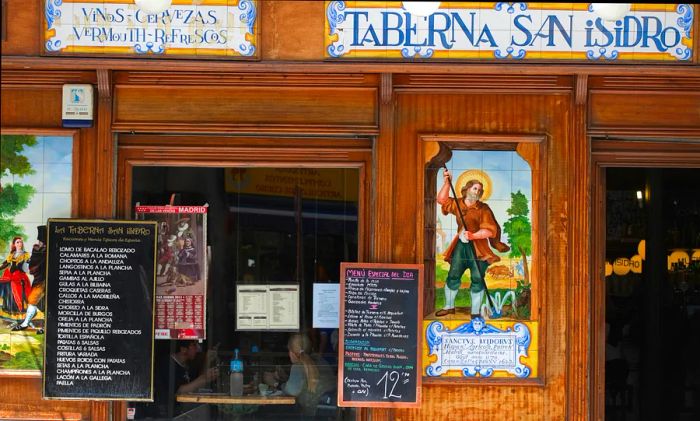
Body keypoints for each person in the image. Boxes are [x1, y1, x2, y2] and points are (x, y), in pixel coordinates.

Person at [435, 169, 509, 318]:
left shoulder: (483, 209)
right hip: (461, 246)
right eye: (475, 188)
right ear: (467, 189)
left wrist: (473, 235)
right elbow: (442, 200)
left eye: (480, 190)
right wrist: (446, 182)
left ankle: (475, 312)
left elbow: (490, 230)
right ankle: (449, 307)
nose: (477, 191)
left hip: (479, 248)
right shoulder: (458, 203)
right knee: (453, 275)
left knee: (477, 278)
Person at [135, 340, 218, 419]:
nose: (198, 348)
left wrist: (207, 361)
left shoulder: (188, 363)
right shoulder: (166, 363)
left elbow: (194, 386)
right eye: (194, 345)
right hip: (166, 414)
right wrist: (204, 378)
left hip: (182, 411)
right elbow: (180, 391)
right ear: (183, 349)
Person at [263, 333, 336, 417]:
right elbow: (303, 383)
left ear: (291, 352)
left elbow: (292, 391)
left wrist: (274, 383)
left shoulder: (298, 366)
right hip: (328, 410)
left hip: (312, 413)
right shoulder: (321, 361)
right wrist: (284, 378)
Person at [11, 226, 47, 333]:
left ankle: (26, 324)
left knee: (33, 302)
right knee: (43, 304)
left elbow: (32, 268)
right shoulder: (49, 249)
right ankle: (40, 326)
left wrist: (21, 266)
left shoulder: (39, 250)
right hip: (44, 281)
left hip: (41, 282)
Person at [0, 236, 31, 315]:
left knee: (16, 286)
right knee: (5, 284)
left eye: (21, 242)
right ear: (14, 244)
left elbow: (28, 266)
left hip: (20, 276)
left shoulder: (25, 254)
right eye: (17, 242)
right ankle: (8, 308)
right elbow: (5, 264)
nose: (20, 243)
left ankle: (18, 309)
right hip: (10, 275)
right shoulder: (12, 254)